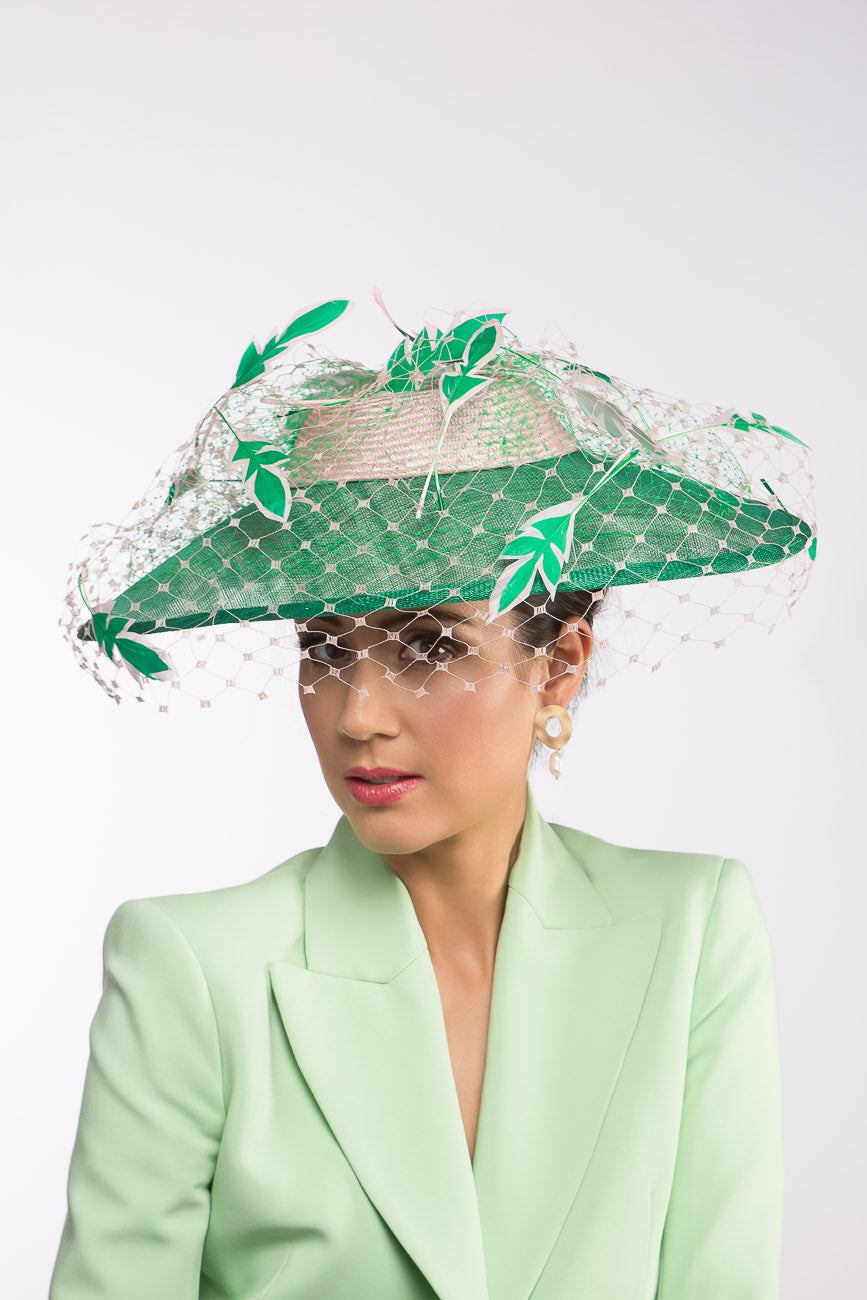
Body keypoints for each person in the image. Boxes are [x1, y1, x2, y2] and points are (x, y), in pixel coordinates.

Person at [50, 294, 817, 1299]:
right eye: (325, 648)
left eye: (430, 646)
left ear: (559, 664)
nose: (359, 713)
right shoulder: (194, 968)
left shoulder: (693, 931)